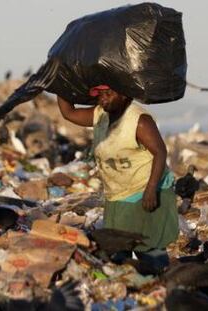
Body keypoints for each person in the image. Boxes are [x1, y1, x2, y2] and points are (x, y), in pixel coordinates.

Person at [57, 85, 179, 272]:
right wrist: (59, 83)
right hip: (118, 194)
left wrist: (151, 189)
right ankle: (134, 285)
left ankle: (161, 285)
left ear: (124, 95)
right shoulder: (100, 115)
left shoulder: (139, 121)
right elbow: (69, 113)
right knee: (117, 246)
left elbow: (160, 152)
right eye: (100, 95)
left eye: (108, 94)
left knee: (148, 246)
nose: (103, 99)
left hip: (144, 191)